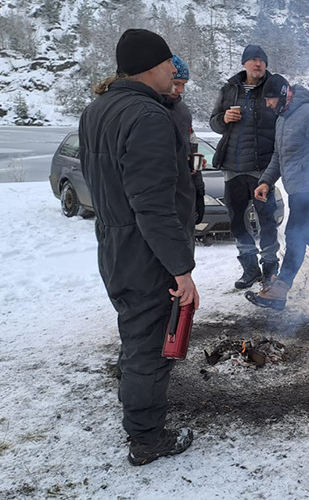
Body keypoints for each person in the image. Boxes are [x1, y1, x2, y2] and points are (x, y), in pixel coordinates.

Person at [78, 28, 199, 466]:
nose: (174, 71)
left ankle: (135, 404)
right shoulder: (147, 118)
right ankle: (147, 438)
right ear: (151, 66)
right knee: (150, 341)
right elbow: (153, 206)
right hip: (146, 250)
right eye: (169, 64)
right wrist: (182, 270)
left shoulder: (97, 109)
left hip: (114, 242)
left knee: (134, 330)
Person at [244, 74, 309, 311]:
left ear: (283, 94)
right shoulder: (282, 120)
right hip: (296, 190)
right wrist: (266, 182)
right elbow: (279, 157)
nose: (268, 105)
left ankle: (280, 288)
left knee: (295, 236)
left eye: (270, 99)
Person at [209, 44, 280, 289]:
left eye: (262, 60)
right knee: (237, 221)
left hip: (261, 168)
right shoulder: (229, 89)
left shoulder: (274, 87)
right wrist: (224, 119)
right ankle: (250, 269)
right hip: (232, 167)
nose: (257, 64)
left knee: (267, 220)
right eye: (253, 60)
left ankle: (270, 270)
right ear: (244, 64)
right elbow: (214, 123)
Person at [163, 54, 205, 227]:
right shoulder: (148, 109)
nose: (180, 90)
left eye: (183, 85)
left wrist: (198, 190)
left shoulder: (183, 110)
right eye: (176, 83)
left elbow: (192, 149)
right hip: (163, 195)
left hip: (185, 191)